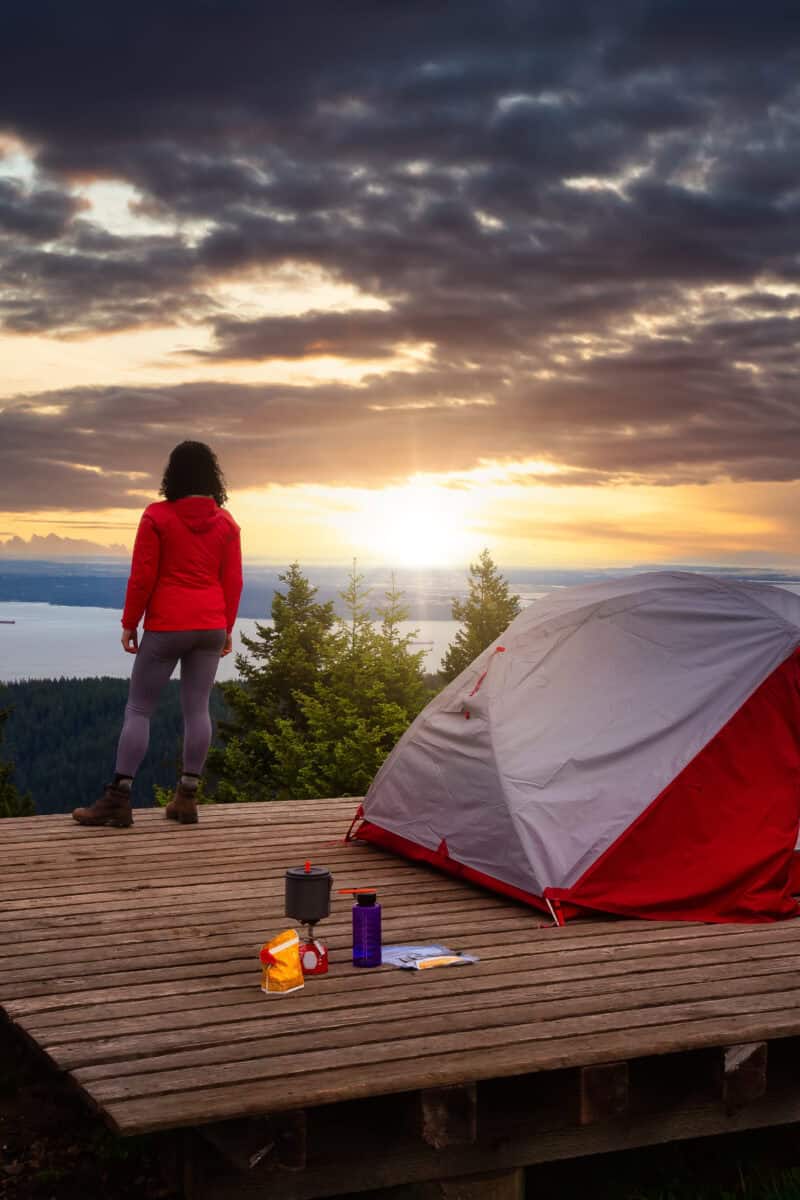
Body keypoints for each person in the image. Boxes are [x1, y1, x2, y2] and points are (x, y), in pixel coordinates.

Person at [72, 441, 243, 829]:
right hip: (210, 625)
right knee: (198, 709)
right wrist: (226, 628)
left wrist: (129, 622)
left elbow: (143, 575)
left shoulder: (157, 516)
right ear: (212, 476)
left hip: (167, 624)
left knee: (139, 708)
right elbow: (232, 582)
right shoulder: (226, 523)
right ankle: (186, 798)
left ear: (173, 475)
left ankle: (118, 798)